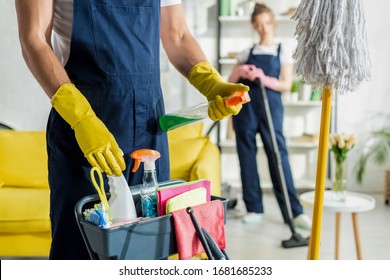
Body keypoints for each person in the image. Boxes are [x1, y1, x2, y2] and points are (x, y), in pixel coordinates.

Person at [15, 0, 248, 259]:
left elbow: (178, 35)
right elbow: (33, 39)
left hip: (148, 127)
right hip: (83, 129)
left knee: (149, 244)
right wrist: (82, 118)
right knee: (81, 246)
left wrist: (210, 82)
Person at [228, 3, 311, 229]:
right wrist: (242, 71)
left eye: (266, 23)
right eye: (258, 25)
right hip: (246, 111)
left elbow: (285, 84)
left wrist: (263, 78)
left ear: (272, 23)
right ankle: (254, 208)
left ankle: (294, 212)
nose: (263, 28)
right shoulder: (247, 52)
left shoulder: (282, 50)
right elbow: (230, 81)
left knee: (277, 154)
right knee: (246, 156)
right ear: (254, 27)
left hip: (270, 108)